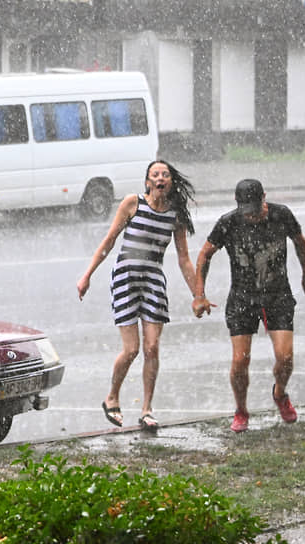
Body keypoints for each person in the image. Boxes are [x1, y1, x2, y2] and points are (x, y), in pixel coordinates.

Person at [77, 160, 198, 432]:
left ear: (170, 183)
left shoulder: (175, 215)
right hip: (125, 279)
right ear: (147, 182)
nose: (160, 178)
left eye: (165, 174)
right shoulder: (133, 204)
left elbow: (184, 259)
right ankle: (112, 397)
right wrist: (87, 275)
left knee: (152, 347)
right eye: (155, 174)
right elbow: (108, 241)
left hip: (153, 280)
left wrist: (197, 294)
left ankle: (146, 410)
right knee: (131, 349)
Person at [192, 178, 305, 433]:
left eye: (255, 210)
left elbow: (299, 241)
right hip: (241, 299)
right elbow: (205, 253)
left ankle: (280, 394)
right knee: (240, 361)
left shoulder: (281, 215)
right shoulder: (229, 222)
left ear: (264, 200)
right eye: (246, 211)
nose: (251, 217)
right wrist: (199, 294)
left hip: (277, 295)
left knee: (285, 358)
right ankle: (241, 410)